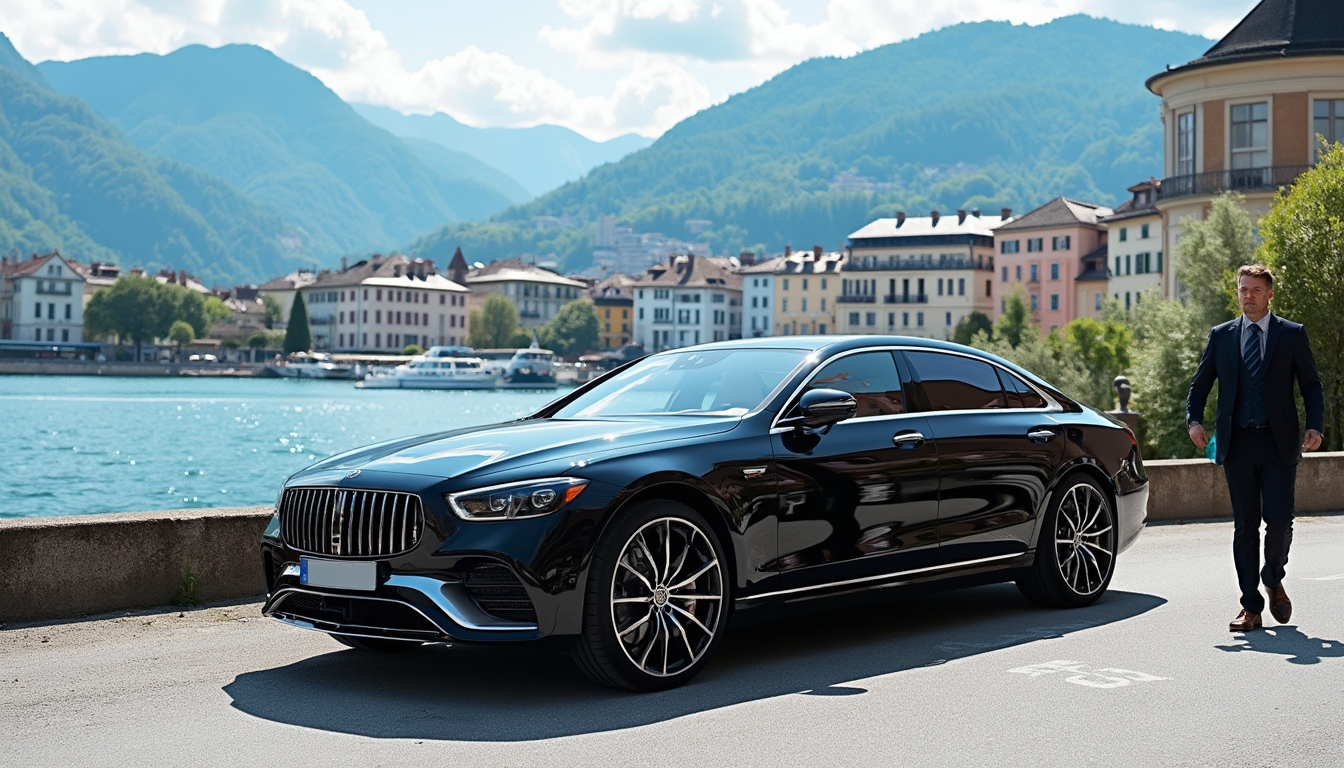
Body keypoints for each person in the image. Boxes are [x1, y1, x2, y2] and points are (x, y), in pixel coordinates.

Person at [1187, 264, 1324, 632]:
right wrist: (1194, 421)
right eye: (1243, 289)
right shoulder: (1221, 336)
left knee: (1279, 521)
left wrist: (1315, 425)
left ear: (1270, 295)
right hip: (1238, 444)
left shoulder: (1292, 335)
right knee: (1245, 526)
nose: (1247, 296)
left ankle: (1272, 575)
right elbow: (1200, 386)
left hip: (1279, 443)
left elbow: (1311, 385)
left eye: (1255, 290)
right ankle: (1250, 606)